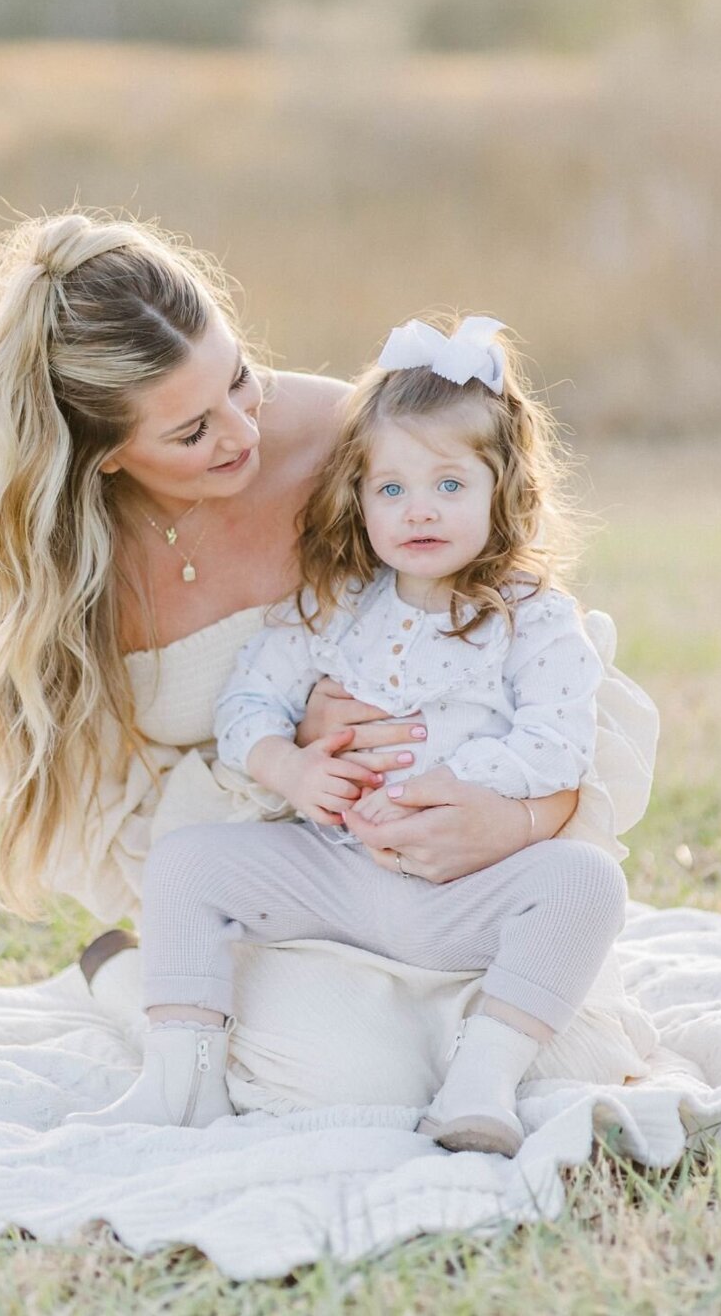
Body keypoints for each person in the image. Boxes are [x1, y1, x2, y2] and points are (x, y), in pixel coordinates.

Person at [0, 210, 659, 1118]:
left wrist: (517, 818)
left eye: (241, 379)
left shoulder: (355, 441)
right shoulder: (70, 562)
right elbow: (121, 814)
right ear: (109, 454)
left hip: (463, 853)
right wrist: (287, 756)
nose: (243, 429)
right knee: (349, 1082)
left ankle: (467, 1050)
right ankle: (145, 1001)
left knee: (574, 1069)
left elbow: (535, 662)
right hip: (284, 865)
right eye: (193, 431)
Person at [67, 316, 631, 1153]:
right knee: (184, 864)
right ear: (359, 497)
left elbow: (559, 743)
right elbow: (246, 707)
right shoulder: (336, 608)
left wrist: (466, 791)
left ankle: (480, 1089)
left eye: (450, 484)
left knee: (587, 885)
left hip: (464, 885)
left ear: (500, 490)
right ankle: (178, 1086)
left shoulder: (531, 619)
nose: (419, 512)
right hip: (337, 875)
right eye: (392, 489)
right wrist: (291, 770)